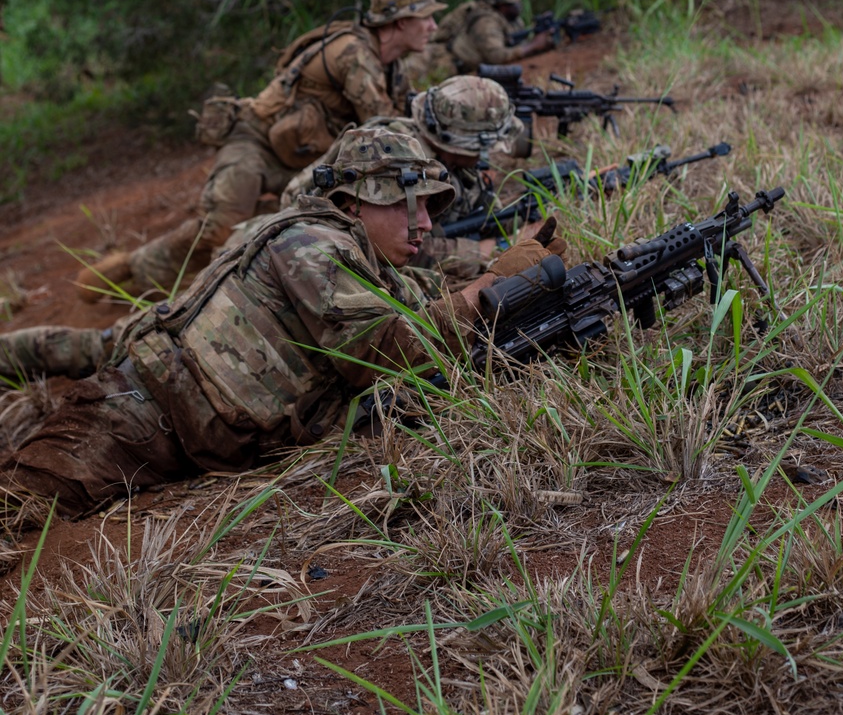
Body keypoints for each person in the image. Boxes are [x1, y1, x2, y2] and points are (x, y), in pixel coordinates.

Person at [0, 127, 561, 521]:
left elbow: (425, 306)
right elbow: (385, 354)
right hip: (136, 415)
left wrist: (507, 272)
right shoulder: (312, 244)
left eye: (430, 208)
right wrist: (489, 288)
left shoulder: (369, 263)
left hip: (188, 436)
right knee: (17, 503)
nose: (422, 223)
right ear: (354, 202)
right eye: (405, 204)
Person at [76, 0, 445, 299]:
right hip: (255, 139)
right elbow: (382, 129)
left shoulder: (392, 66)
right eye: (425, 17)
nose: (432, 25)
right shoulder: (355, 54)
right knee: (220, 224)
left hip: (302, 157)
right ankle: (139, 272)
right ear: (399, 21)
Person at [280, 74, 531, 277]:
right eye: (482, 147)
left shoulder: (446, 159)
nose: (484, 155)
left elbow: (478, 207)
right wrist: (480, 251)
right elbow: (390, 240)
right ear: (461, 143)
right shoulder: (393, 156)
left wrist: (523, 217)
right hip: (309, 253)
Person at [420, 0, 555, 78]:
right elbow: (496, 57)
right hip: (440, 65)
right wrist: (533, 46)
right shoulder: (486, 23)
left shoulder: (511, 20)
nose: (519, 5)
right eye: (514, 2)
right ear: (502, 6)